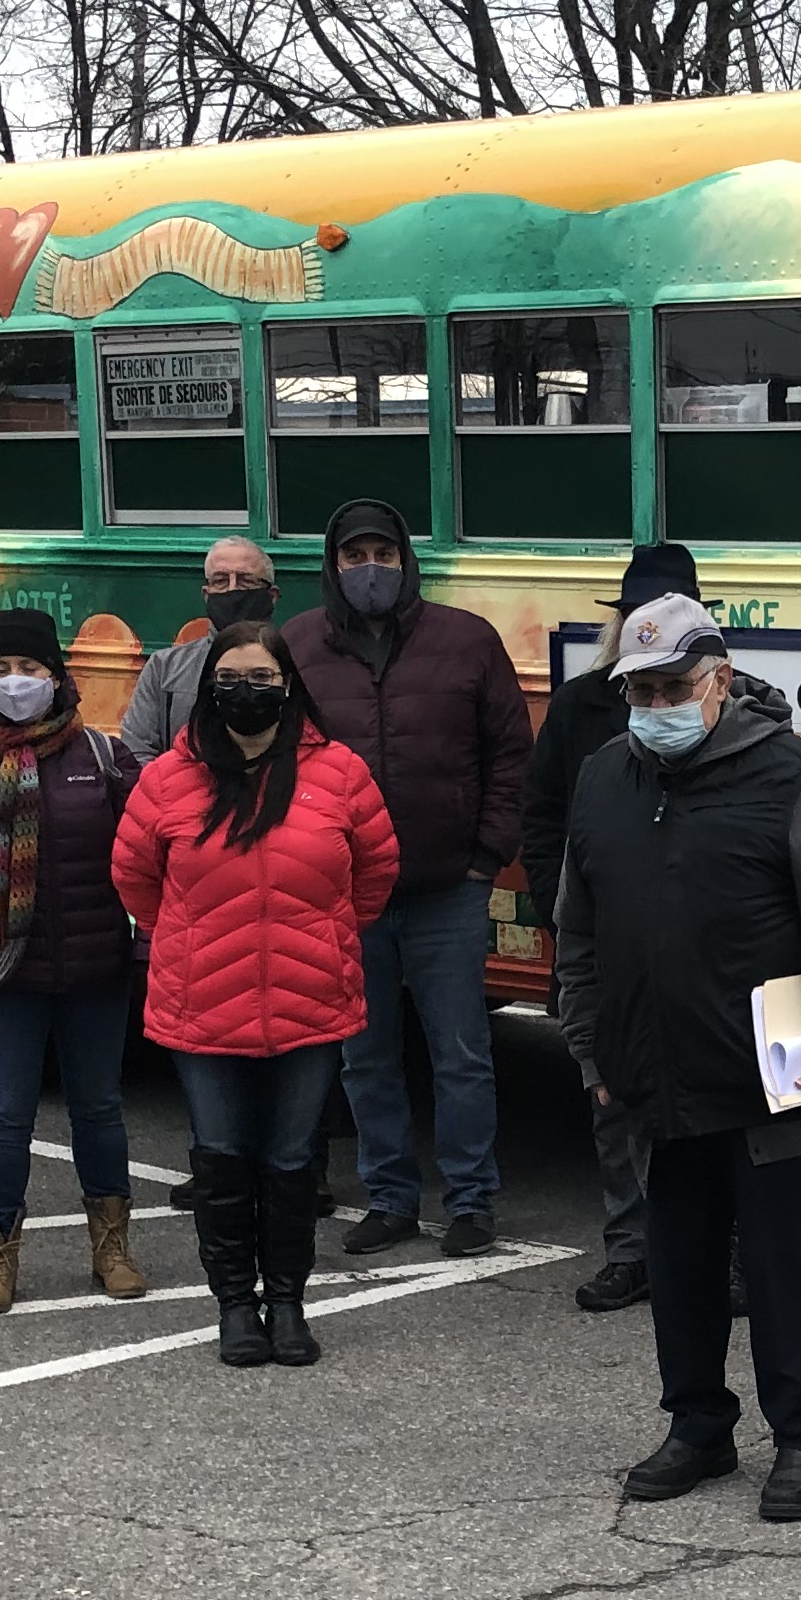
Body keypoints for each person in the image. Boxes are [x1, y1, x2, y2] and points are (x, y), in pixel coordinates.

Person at [552, 595, 801, 1525]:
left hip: (771, 1079)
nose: (656, 704)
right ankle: (698, 1426)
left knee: (786, 1266)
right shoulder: (604, 778)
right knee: (682, 1264)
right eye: (641, 688)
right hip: (651, 1076)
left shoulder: (792, 776)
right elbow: (577, 929)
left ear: (721, 683)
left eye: (674, 686)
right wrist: (588, 1046)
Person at [109, 623, 399, 1368]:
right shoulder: (169, 777)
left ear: (290, 685)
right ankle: (236, 1305)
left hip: (309, 1000)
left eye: (262, 677)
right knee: (223, 1158)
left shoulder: (338, 772)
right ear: (208, 688)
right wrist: (193, 935)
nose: (247, 690)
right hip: (202, 1002)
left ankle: (289, 1302)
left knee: (294, 1158)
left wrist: (320, 935)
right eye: (231, 677)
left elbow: (374, 872)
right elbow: (136, 877)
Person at [277, 497, 528, 1262]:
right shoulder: (299, 644)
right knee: (366, 1053)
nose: (370, 569)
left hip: (447, 885)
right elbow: (276, 754)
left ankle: (471, 1200)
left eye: (383, 553)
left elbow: (511, 756)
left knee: (461, 1050)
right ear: (333, 564)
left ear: (405, 558)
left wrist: (485, 856)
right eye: (354, 556)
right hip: (344, 895)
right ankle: (388, 1196)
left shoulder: (467, 641)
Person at [0, 608, 149, 1317]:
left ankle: (111, 1248)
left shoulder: (103, 758)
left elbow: (144, 860)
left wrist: (140, 949)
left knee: (100, 1110)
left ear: (58, 676)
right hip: (0, 974)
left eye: (32, 669)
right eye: (4, 669)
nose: (18, 682)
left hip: (94, 972)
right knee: (6, 1116)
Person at [518, 539, 690, 1315]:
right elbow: (543, 814)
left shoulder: (745, 705)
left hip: (701, 949)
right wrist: (569, 903)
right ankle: (631, 1252)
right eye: (635, 615)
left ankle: (714, 1254)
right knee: (610, 1098)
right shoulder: (580, 708)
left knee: (709, 1110)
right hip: (609, 941)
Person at [119, 536, 283, 762]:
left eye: (245, 580)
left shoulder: (296, 661)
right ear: (206, 594)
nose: (232, 589)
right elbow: (136, 752)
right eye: (221, 580)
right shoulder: (164, 669)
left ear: (271, 595)